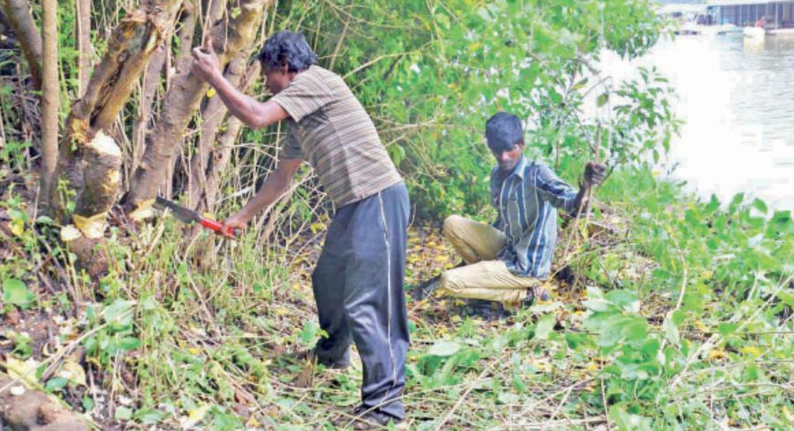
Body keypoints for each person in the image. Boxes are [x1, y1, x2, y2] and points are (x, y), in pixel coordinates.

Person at [190, 31, 409, 431]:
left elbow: (255, 116)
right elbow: (281, 180)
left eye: (267, 76)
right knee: (327, 279)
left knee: (370, 301)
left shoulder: (316, 82)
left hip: (378, 197)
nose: (265, 85)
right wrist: (242, 217)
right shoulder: (300, 122)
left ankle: (384, 409)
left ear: (285, 68)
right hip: (351, 205)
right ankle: (332, 353)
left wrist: (214, 78)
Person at [431, 112, 605, 311]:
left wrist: (586, 186)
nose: (504, 157)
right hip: (509, 249)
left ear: (521, 145)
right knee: (452, 223)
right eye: (497, 151)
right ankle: (487, 285)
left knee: (449, 281)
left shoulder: (537, 173)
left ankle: (526, 294)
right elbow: (502, 220)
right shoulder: (497, 174)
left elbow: (574, 204)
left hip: (527, 266)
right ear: (490, 147)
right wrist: (477, 256)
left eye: (509, 150)